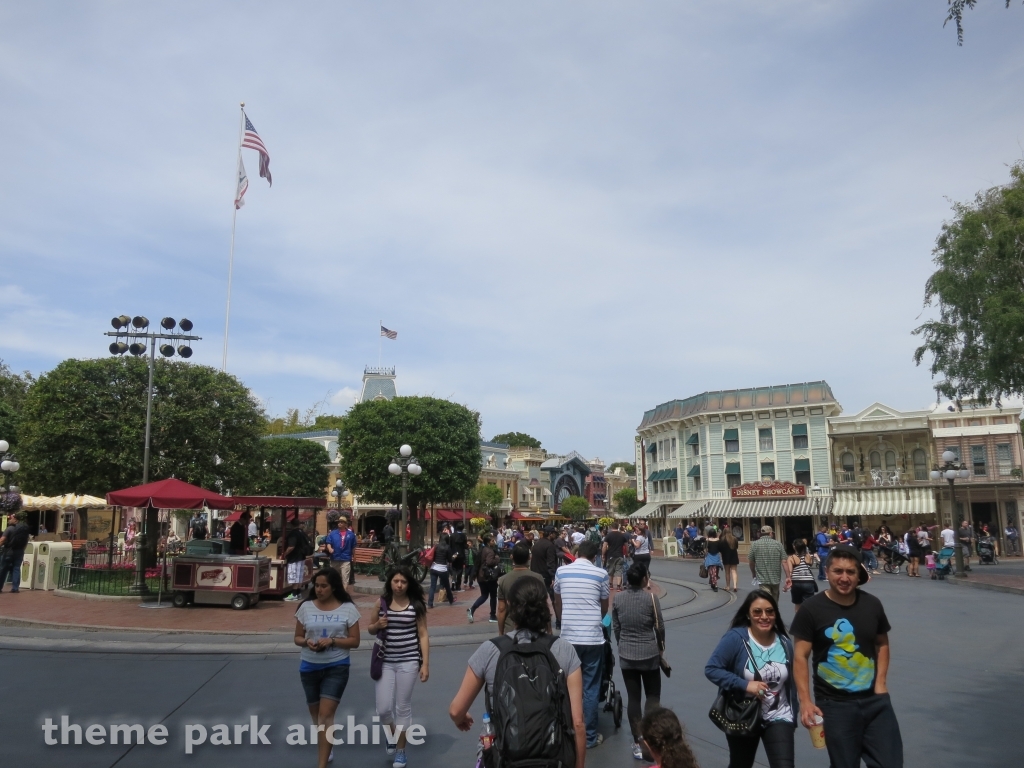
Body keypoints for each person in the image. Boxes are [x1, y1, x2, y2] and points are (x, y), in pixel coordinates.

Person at [448, 577, 586, 768]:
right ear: (545, 606)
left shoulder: (491, 650)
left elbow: (456, 710)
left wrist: (461, 718)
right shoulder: (564, 650)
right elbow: (577, 723)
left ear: (512, 607)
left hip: (503, 757)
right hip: (553, 758)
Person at [791, 547, 903, 768]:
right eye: (838, 571)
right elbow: (801, 656)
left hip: (875, 702)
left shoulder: (872, 604)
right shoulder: (811, 609)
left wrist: (880, 683)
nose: (844, 578)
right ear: (827, 571)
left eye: (850, 572)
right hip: (835, 706)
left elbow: (882, 643)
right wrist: (805, 702)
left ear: (858, 574)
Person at [705, 590, 797, 768]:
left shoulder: (784, 642)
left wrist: (795, 713)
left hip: (779, 716)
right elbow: (712, 669)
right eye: (757, 612)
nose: (764, 616)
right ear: (748, 614)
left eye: (770, 611)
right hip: (743, 715)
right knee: (741, 764)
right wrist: (745, 684)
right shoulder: (736, 639)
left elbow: (790, 683)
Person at [293, 568, 361, 768]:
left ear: (334, 587)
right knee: (316, 716)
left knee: (325, 715)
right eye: (317, 586)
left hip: (336, 666)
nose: (319, 590)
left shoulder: (348, 609)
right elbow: (297, 637)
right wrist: (307, 642)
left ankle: (321, 764)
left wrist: (332, 641)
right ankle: (327, 745)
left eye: (324, 586)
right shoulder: (305, 607)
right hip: (309, 666)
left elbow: (355, 641)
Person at [369, 566, 430, 768]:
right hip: (384, 660)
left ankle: (401, 752)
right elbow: (370, 628)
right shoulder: (381, 602)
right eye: (396, 581)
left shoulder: (416, 605)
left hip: (409, 660)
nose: (399, 585)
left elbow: (423, 634)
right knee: (383, 709)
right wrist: (378, 625)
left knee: (402, 707)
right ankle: (392, 733)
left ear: (408, 584)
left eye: (403, 582)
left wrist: (425, 664)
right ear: (390, 582)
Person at [553, 540, 609, 749]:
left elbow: (557, 600)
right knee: (591, 687)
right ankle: (590, 736)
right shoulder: (601, 574)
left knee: (566, 685)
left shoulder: (561, 572)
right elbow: (604, 605)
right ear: (594, 557)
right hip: (593, 638)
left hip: (569, 638)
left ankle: (567, 730)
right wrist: (597, 619)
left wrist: (561, 619)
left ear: (577, 553)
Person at [613, 563, 665, 761]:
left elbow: (616, 627)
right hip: (649, 653)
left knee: (633, 698)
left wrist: (622, 643)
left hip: (627, 654)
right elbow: (659, 626)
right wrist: (661, 647)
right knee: (652, 696)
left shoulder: (618, 599)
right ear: (644, 579)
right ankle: (651, 740)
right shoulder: (651, 598)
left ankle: (637, 741)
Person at [496, 542, 546, 634]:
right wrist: (548, 628)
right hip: (535, 627)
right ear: (529, 558)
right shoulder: (538, 578)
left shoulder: (503, 580)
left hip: (511, 629)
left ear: (511, 557)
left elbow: (501, 609)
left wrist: (500, 632)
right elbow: (544, 605)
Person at [748, 525, 788, 602]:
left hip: (762, 578)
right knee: (775, 599)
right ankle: (774, 611)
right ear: (770, 533)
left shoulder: (755, 544)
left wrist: (753, 573)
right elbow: (784, 561)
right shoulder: (778, 544)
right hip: (776, 577)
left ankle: (769, 611)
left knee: (766, 600)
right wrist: (788, 576)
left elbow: (751, 561)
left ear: (760, 534)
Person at [468, 532, 500, 623]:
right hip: (489, 576)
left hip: (481, 576)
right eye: (493, 540)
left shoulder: (482, 549)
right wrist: (497, 559)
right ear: (489, 542)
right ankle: (492, 615)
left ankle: (472, 609)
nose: (494, 542)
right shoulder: (490, 551)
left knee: (484, 595)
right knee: (493, 596)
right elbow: (490, 562)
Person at [0, 511, 31, 593]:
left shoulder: (9, 528)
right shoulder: (24, 530)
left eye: (10, 518)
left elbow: (2, 540)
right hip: (20, 551)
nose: (9, 520)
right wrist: (22, 549)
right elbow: (27, 540)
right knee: (16, 568)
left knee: (3, 569)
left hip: (9, 551)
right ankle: (15, 588)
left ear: (15, 519)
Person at [283, 515, 311, 601]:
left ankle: (294, 594)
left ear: (291, 525)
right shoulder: (302, 532)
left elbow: (291, 546)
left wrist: (284, 554)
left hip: (294, 558)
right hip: (301, 557)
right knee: (299, 576)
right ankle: (298, 593)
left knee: (294, 576)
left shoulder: (293, 534)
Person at [785, 539, 817, 612]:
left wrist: (788, 581)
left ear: (794, 547)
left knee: (798, 604)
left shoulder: (791, 558)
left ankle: (799, 620)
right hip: (809, 581)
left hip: (796, 582)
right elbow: (811, 564)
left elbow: (790, 571)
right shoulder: (808, 556)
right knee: (809, 604)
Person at [326, 515, 356, 585]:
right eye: (339, 522)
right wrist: (330, 548)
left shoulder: (351, 535)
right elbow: (328, 542)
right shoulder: (333, 533)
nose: (340, 523)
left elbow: (353, 546)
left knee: (345, 579)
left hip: (345, 559)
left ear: (346, 524)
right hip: (335, 558)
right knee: (334, 578)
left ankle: (344, 594)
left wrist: (354, 556)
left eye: (342, 522)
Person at [427, 533, 455, 609]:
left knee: (432, 586)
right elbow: (449, 560)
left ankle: (430, 603)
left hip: (434, 567)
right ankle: (451, 600)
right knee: (447, 585)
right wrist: (454, 557)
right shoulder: (447, 547)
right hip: (442, 568)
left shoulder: (436, 546)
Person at [530, 525, 558, 595]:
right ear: (550, 534)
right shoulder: (550, 545)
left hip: (535, 575)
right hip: (545, 578)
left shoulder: (537, 543)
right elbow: (551, 563)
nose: (555, 535)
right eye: (554, 533)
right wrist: (553, 577)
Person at [602, 522, 628, 590]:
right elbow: (626, 545)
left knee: (611, 570)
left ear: (611, 527)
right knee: (619, 570)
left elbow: (604, 546)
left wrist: (603, 554)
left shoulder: (608, 535)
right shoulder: (622, 535)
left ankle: (611, 585)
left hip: (611, 555)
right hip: (620, 555)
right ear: (617, 527)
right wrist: (627, 553)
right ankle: (618, 586)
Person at [450, 523, 468, 592]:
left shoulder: (452, 535)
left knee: (454, 568)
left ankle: (453, 584)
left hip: (454, 554)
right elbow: (465, 546)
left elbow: (450, 545)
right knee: (460, 570)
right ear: (462, 528)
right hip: (461, 555)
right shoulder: (463, 536)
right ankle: (458, 585)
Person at [704, 526, 723, 592]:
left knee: (711, 571)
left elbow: (705, 550)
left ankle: (713, 583)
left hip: (710, 557)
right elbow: (720, 550)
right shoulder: (718, 540)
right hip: (716, 557)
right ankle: (714, 583)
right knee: (716, 571)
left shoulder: (707, 540)